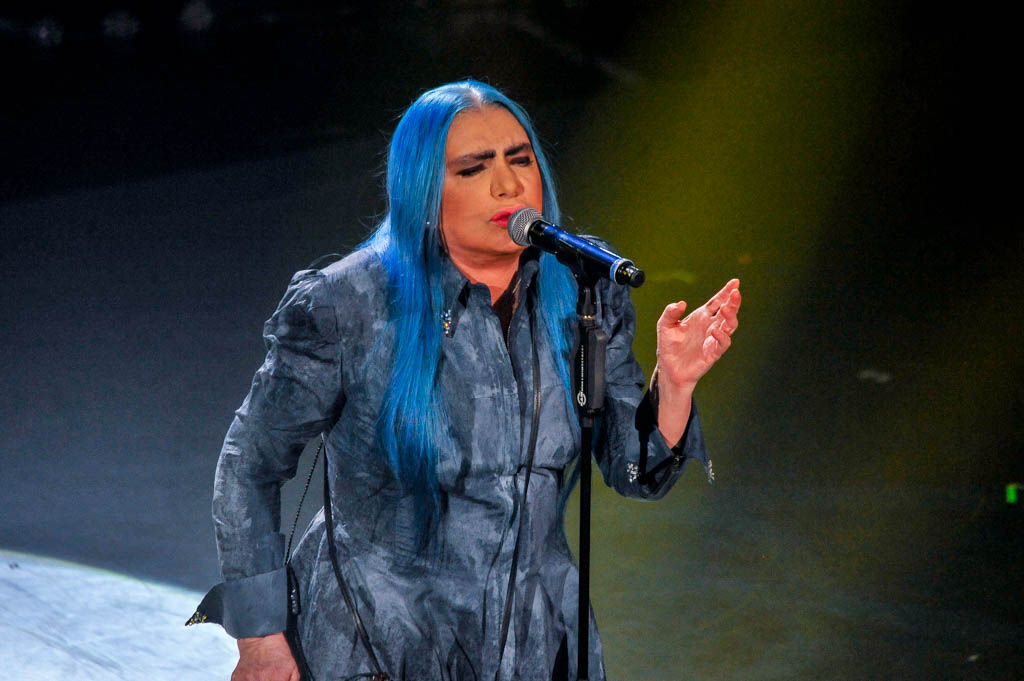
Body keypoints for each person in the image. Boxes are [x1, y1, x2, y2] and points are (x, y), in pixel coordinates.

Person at [192, 80, 741, 681]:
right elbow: (248, 465)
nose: (508, 185)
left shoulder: (581, 293)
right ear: (424, 193)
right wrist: (261, 638)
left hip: (531, 647)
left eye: (520, 159)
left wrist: (676, 385)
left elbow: (635, 474)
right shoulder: (348, 305)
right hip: (378, 645)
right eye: (474, 169)